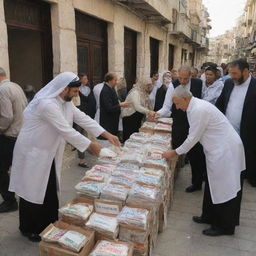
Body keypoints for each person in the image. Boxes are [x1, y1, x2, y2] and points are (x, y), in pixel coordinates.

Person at [9, 72, 120, 242]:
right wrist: (91, 146)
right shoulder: (47, 104)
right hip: (33, 153)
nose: (76, 95)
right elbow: (66, 130)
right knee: (31, 191)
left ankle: (48, 224)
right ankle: (29, 228)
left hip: (47, 153)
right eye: (75, 92)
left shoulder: (65, 102)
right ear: (64, 89)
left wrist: (106, 134)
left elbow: (83, 118)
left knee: (49, 189)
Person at [163, 86, 245, 236]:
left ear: (186, 98)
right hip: (217, 150)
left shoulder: (198, 110)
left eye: (177, 103)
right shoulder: (193, 107)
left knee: (224, 188)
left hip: (225, 151)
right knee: (212, 185)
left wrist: (174, 152)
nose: (177, 107)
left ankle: (224, 226)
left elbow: (192, 138)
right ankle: (208, 216)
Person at [157, 65, 207, 193]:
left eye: (186, 79)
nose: (183, 81)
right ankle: (171, 179)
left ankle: (197, 182)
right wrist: (157, 113)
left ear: (191, 76)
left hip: (195, 122)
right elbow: (167, 107)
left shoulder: (199, 83)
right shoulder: (173, 85)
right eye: (180, 78)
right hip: (180, 124)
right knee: (177, 150)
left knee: (196, 155)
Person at [216, 59, 256, 187]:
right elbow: (220, 105)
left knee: (245, 163)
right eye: (230, 73)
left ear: (246, 71)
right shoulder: (228, 83)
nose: (232, 76)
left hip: (248, 135)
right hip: (227, 133)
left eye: (235, 73)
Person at [0, 67, 27, 213]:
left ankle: (10, 201)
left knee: (1, 170)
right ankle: (22, 197)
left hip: (9, 136)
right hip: (19, 134)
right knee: (16, 168)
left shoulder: (2, 90)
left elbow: (7, 116)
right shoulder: (15, 86)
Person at [75, 73, 97, 168]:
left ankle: (83, 156)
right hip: (78, 117)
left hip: (86, 115)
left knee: (85, 135)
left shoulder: (88, 89)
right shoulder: (76, 91)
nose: (87, 79)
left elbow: (91, 101)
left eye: (87, 78)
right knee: (79, 136)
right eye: (85, 78)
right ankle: (82, 159)